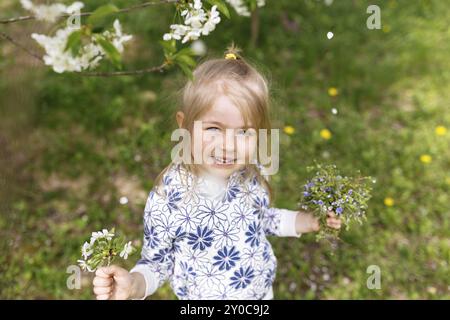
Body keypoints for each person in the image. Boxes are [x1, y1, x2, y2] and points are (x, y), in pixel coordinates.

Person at [92, 46, 341, 300]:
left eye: (244, 132)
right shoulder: (169, 198)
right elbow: (157, 263)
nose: (228, 145)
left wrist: (307, 220)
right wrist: (133, 285)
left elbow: (262, 219)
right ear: (184, 124)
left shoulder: (250, 171)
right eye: (213, 128)